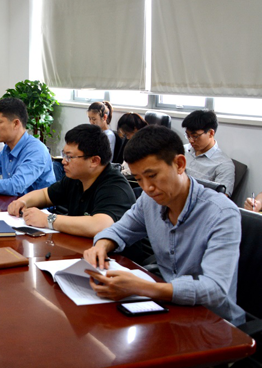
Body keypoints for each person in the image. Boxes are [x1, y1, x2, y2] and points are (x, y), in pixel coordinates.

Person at [83, 125, 245, 326]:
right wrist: (101, 246)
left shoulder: (221, 213)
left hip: (213, 322)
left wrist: (141, 287)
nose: (147, 188)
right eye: (139, 179)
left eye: (152, 176)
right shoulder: (149, 201)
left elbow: (214, 290)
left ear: (179, 164)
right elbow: (120, 230)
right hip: (169, 310)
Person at [7, 124, 135, 237]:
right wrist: (22, 201)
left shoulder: (115, 187)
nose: (63, 161)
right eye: (64, 155)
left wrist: (48, 220)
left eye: (69, 157)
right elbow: (45, 195)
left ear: (94, 161)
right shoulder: (77, 178)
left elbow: (100, 225)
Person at [181, 109, 235, 195]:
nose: (191, 140)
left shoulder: (223, 164)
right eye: (188, 135)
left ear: (211, 133)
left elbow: (221, 199)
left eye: (195, 136)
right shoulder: (183, 150)